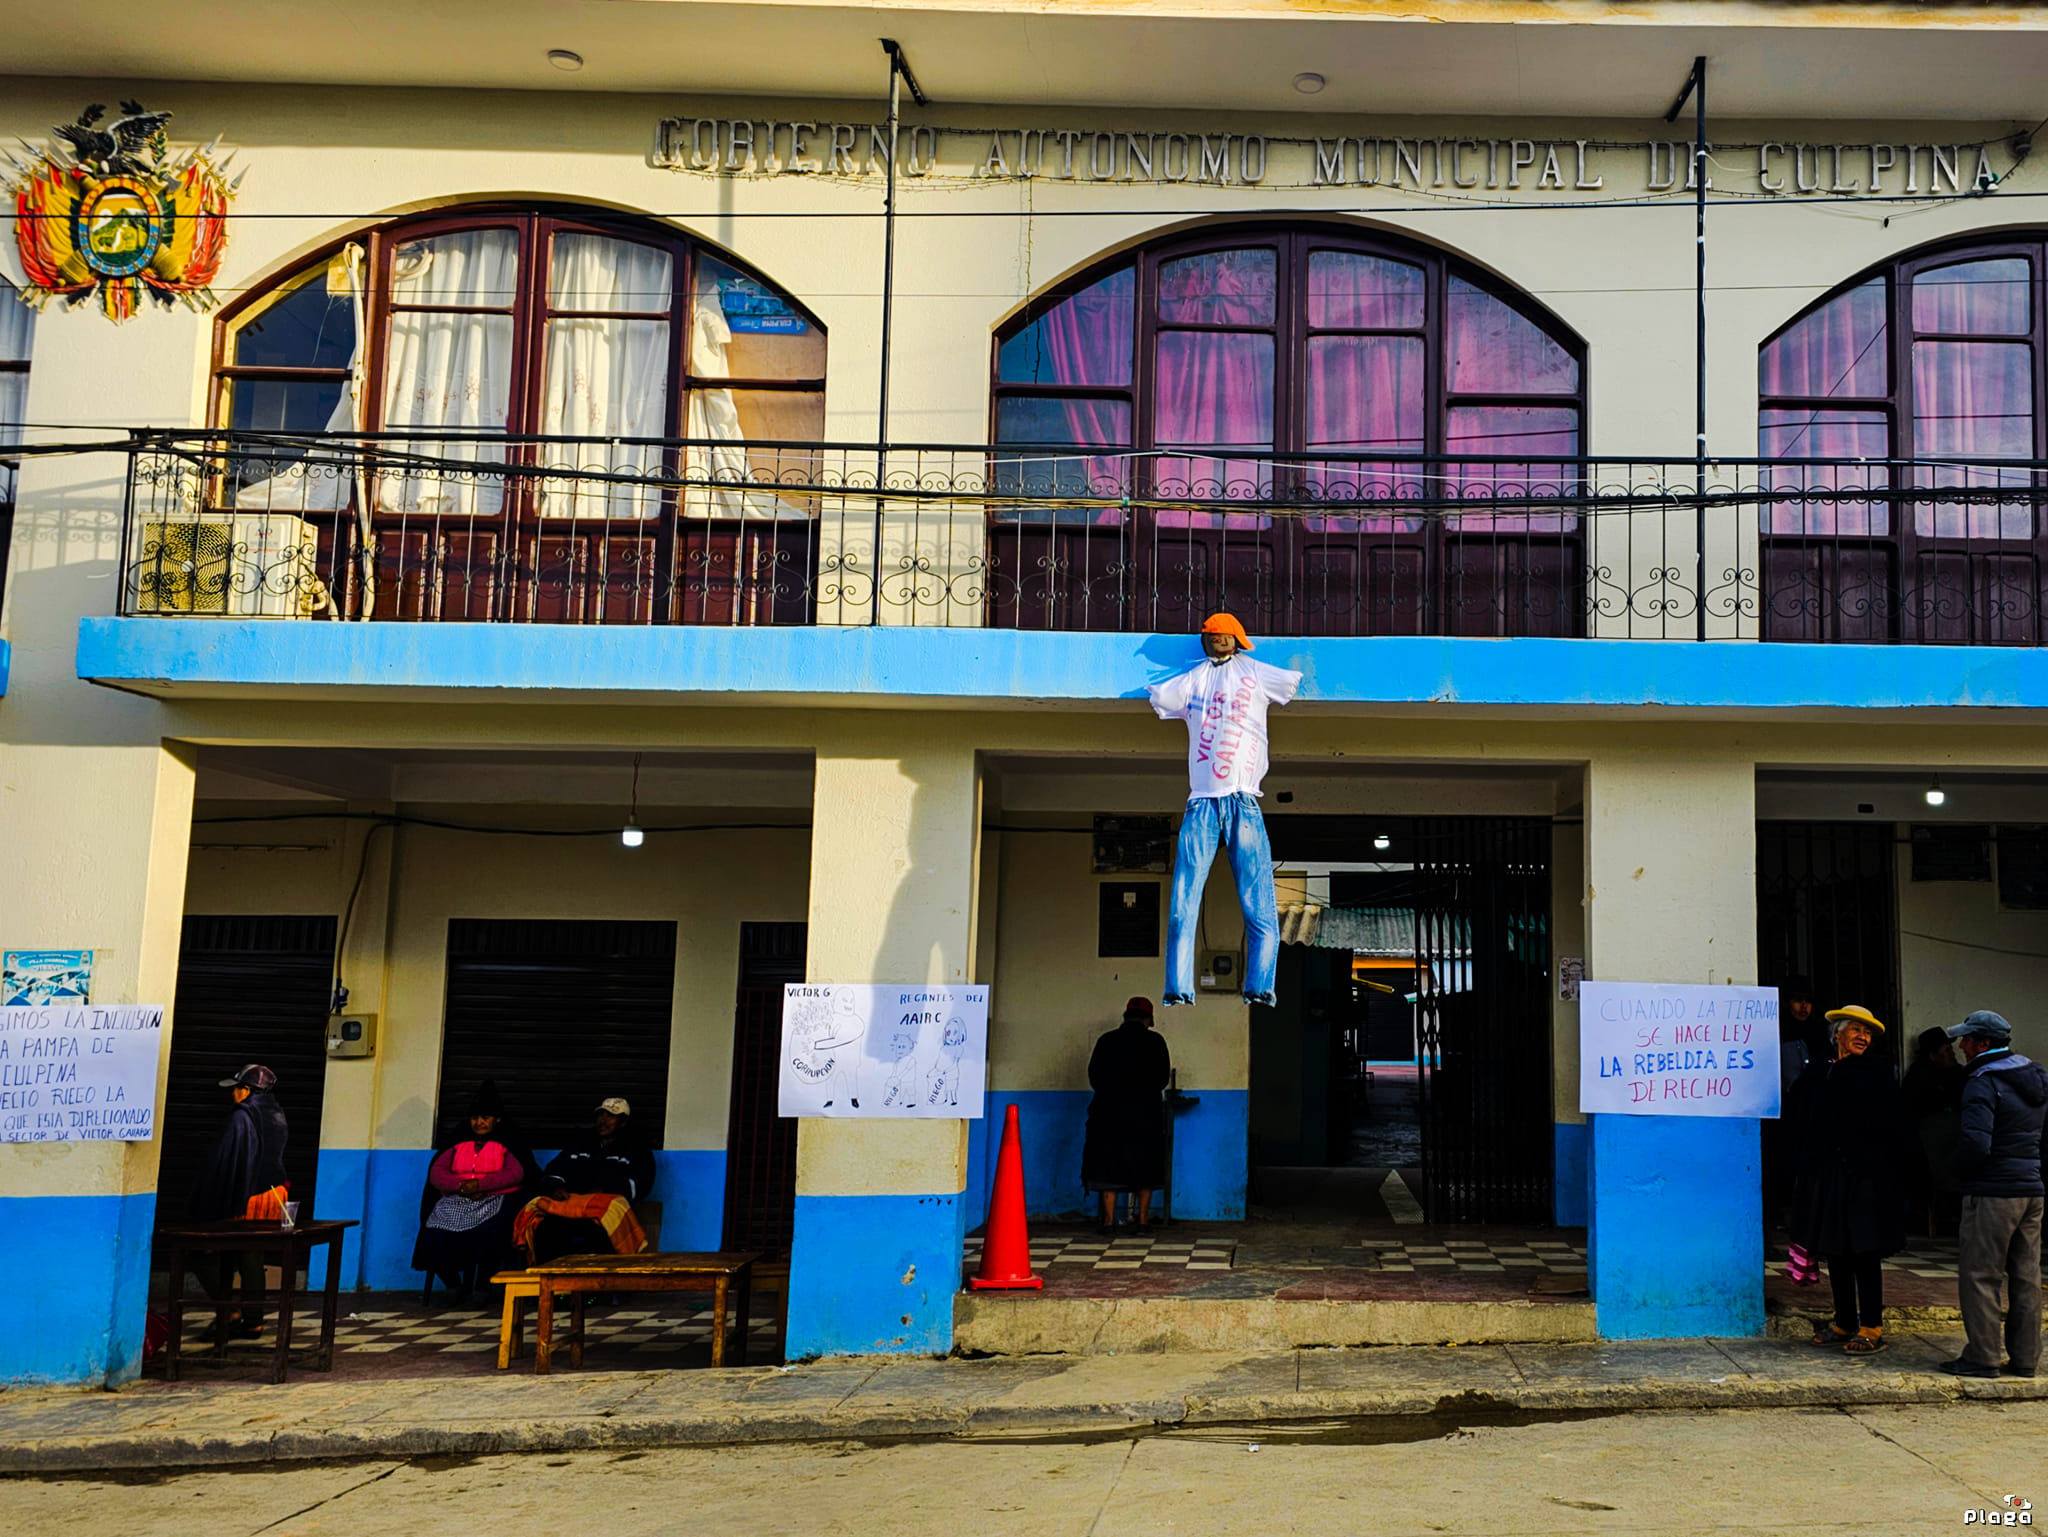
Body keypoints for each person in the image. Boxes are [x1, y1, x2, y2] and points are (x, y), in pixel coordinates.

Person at [1147, 613, 1302, 1009]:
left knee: (1258, 901)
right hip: (1201, 801)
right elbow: (1160, 696)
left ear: (1236, 641)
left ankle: (1260, 984)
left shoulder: (1254, 672)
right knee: (1185, 901)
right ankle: (1179, 986)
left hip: (1243, 798)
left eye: (1223, 637)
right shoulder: (1193, 678)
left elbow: (1289, 682)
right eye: (1213, 638)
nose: (1218, 643)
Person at [1790, 1005, 1909, 1355]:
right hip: (1830, 1177)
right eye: (1856, 1030)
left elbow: (1891, 1128)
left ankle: (1871, 1326)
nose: (1862, 1037)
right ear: (1837, 1034)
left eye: (1867, 1033)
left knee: (1865, 1251)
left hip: (1868, 1179)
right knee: (1836, 1251)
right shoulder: (1822, 1072)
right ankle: (1843, 1322)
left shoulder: (1874, 1073)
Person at [1936, 1010, 2045, 1379]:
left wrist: (1951, 1175)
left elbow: (1976, 1144)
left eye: (1966, 1039)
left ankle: (1982, 1357)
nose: (1962, 1046)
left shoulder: (1983, 1080)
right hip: (2031, 1189)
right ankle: (2026, 1359)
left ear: (1983, 1043)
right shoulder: (2036, 1076)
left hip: (1994, 1192)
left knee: (1981, 1275)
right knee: (2026, 1276)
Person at [188, 1063, 290, 1341]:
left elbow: (229, 1164)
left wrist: (211, 1204)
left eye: (236, 1089)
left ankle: (229, 1311)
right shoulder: (275, 1113)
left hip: (247, 1196)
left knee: (200, 1251)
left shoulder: (241, 1117)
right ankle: (254, 1322)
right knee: (251, 1256)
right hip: (273, 1194)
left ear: (247, 1090)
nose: (232, 1094)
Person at [412, 1080, 536, 1304]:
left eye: (485, 1118)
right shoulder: (459, 1141)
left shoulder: (509, 1140)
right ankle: (453, 1284)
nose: (479, 1123)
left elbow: (516, 1172)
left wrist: (481, 1186)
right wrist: (462, 1187)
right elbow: (437, 1172)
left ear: (497, 1120)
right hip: (458, 1198)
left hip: (496, 1199)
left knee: (491, 1231)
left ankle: (482, 1286)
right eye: (475, 1118)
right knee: (433, 1232)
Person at [516, 1096, 657, 1263]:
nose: (603, 1121)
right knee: (545, 1231)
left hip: (603, 1214)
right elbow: (555, 1170)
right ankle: (550, 1283)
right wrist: (556, 1188)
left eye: (610, 1116)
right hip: (570, 1208)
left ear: (623, 1122)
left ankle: (596, 1286)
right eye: (601, 1115)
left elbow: (640, 1183)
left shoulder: (637, 1149)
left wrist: (604, 1192)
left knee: (598, 1238)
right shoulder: (581, 1143)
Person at [1081, 997, 1172, 1235]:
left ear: (1125, 1016)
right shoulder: (1155, 1042)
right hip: (1145, 1115)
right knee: (1145, 1167)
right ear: (1149, 1019)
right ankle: (1142, 1222)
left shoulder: (1106, 1041)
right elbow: (1162, 1078)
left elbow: (1094, 1077)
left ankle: (1109, 1222)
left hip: (1108, 1113)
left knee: (1107, 1167)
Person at [1900, 1026, 1966, 1237]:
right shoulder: (1919, 1079)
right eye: (1947, 1050)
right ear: (1932, 1055)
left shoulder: (1960, 1075)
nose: (1953, 1054)